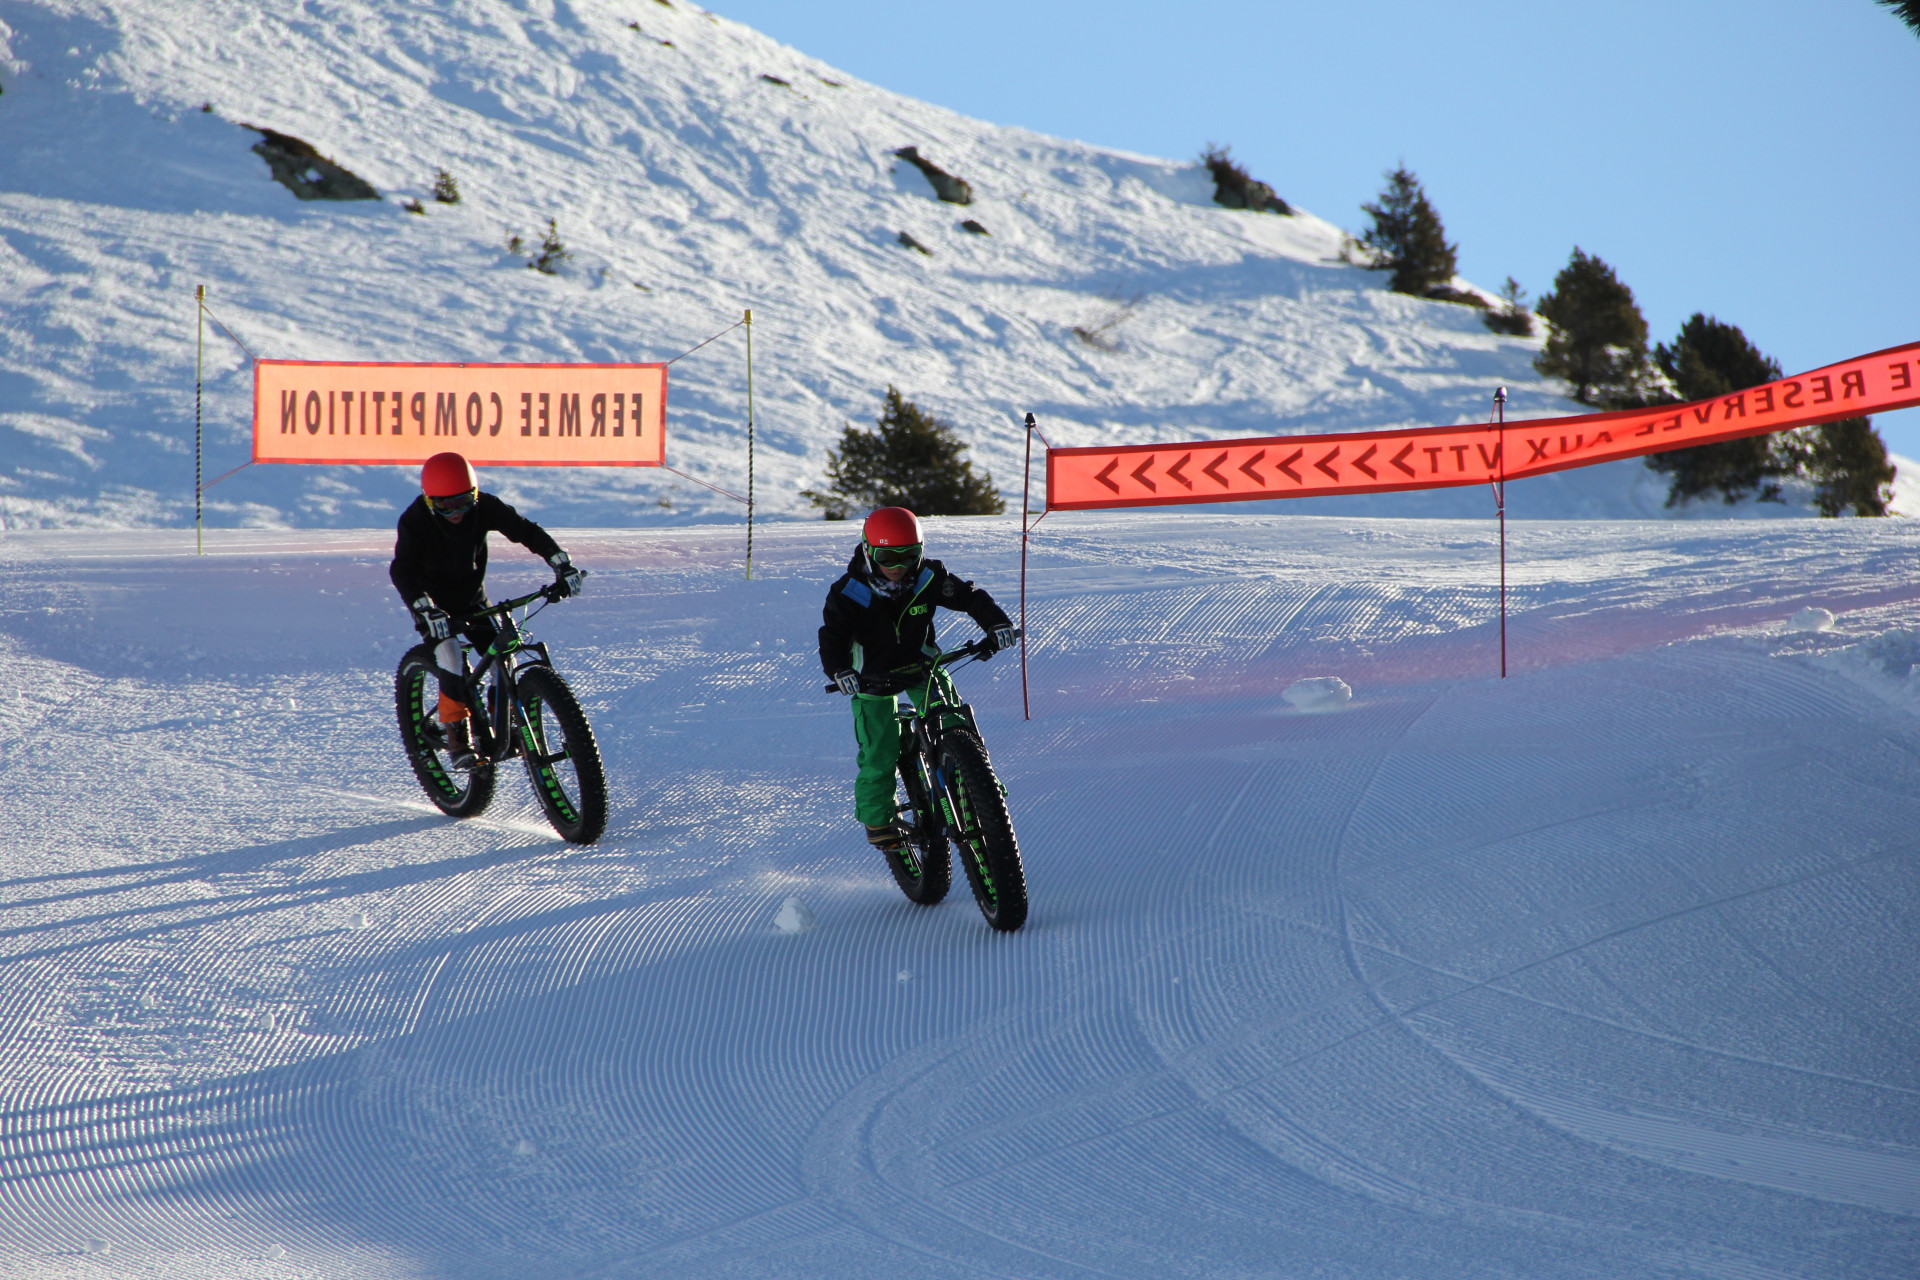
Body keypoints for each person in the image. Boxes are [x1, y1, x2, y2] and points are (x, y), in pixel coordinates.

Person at [819, 506, 1016, 849]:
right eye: (886, 557)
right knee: (879, 749)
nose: (897, 568)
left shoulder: (929, 578)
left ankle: (980, 783)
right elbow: (832, 635)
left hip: (919, 666)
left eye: (908, 556)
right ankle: (879, 818)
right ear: (868, 551)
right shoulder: (848, 592)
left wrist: (995, 622)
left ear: (920, 552)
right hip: (871, 679)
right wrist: (839, 670)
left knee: (953, 718)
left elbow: (969, 597)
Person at [389, 451, 584, 768]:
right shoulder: (414, 521)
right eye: (444, 505)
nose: (455, 512)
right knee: (450, 656)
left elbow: (525, 530)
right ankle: (457, 739)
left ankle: (503, 727)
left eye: (464, 501)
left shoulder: (485, 507)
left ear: (475, 494)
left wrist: (561, 563)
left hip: (472, 600)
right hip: (434, 607)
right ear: (428, 500)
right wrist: (424, 609)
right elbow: (402, 571)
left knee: (503, 659)